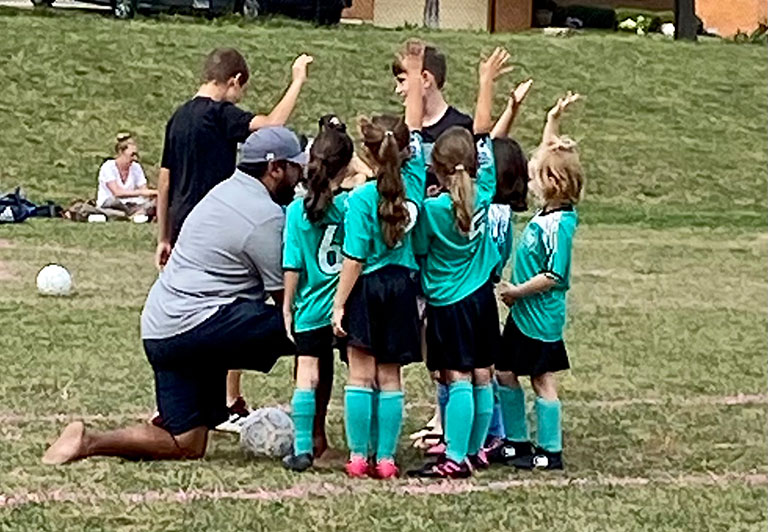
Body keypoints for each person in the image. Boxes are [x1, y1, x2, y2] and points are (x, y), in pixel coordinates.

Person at [41, 127, 305, 465]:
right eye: (297, 169)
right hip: (200, 328)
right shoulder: (264, 216)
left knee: (187, 444)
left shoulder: (224, 191)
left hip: (162, 329)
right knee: (312, 325)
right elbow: (288, 303)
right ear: (276, 168)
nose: (300, 178)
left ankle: (89, 441)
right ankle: (316, 444)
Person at [154, 48, 313, 431]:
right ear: (235, 81)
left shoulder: (178, 117)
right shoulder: (221, 115)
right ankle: (228, 398)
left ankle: (185, 404)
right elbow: (273, 127)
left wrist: (163, 235)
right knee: (238, 304)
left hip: (186, 225)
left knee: (187, 311)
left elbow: (164, 178)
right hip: (230, 222)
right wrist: (297, 82)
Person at [407, 48, 510, 478]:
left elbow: (413, 133)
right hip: (482, 300)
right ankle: (474, 448)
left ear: (439, 168)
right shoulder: (484, 191)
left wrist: (414, 76)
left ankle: (455, 458)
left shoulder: (432, 212)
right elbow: (484, 133)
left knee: (456, 377)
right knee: (482, 375)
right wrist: (486, 80)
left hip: (448, 302)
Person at [331, 41, 426, 480]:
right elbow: (414, 130)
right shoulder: (416, 184)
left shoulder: (360, 199)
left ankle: (357, 456)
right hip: (403, 286)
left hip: (368, 288)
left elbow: (353, 257)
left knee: (360, 374)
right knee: (391, 377)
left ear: (366, 155)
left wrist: (338, 303)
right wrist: (416, 72)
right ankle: (386, 459)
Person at [496, 92, 585, 471]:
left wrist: (516, 291)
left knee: (541, 379)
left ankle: (550, 449)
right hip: (524, 315)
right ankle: (517, 441)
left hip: (540, 316)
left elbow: (553, 275)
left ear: (555, 182)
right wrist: (552, 119)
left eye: (537, 176)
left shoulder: (560, 225)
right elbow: (548, 152)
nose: (530, 179)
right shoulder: (547, 212)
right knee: (504, 372)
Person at [281, 116, 354, 472]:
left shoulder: (297, 211)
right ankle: (364, 449)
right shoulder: (354, 206)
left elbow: (292, 264)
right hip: (349, 305)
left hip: (311, 305)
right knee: (360, 374)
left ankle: (302, 448)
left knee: (306, 373)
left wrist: (287, 306)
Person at [96, 132, 157, 212]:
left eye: (136, 155)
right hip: (111, 203)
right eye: (132, 155)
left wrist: (153, 194)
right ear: (121, 152)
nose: (134, 158)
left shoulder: (136, 167)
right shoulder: (108, 167)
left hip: (131, 204)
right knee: (114, 203)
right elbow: (117, 193)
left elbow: (144, 189)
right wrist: (141, 192)